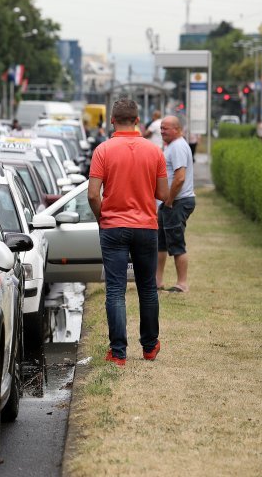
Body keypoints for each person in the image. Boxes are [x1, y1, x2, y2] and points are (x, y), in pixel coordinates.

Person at [87, 99, 169, 367]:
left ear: (112, 120)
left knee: (115, 290)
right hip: (146, 226)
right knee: (147, 289)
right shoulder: (154, 151)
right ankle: (149, 346)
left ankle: (118, 353)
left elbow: (92, 194)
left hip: (113, 226)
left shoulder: (102, 150)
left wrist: (102, 218)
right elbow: (163, 194)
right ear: (137, 120)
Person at [156, 116, 196, 294]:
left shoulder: (178, 146)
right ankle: (157, 281)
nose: (162, 131)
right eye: (161, 128)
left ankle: (182, 283)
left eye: (166, 128)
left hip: (177, 202)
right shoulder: (172, 146)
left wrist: (170, 199)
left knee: (176, 242)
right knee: (161, 243)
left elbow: (180, 177)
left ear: (177, 129)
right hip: (169, 202)